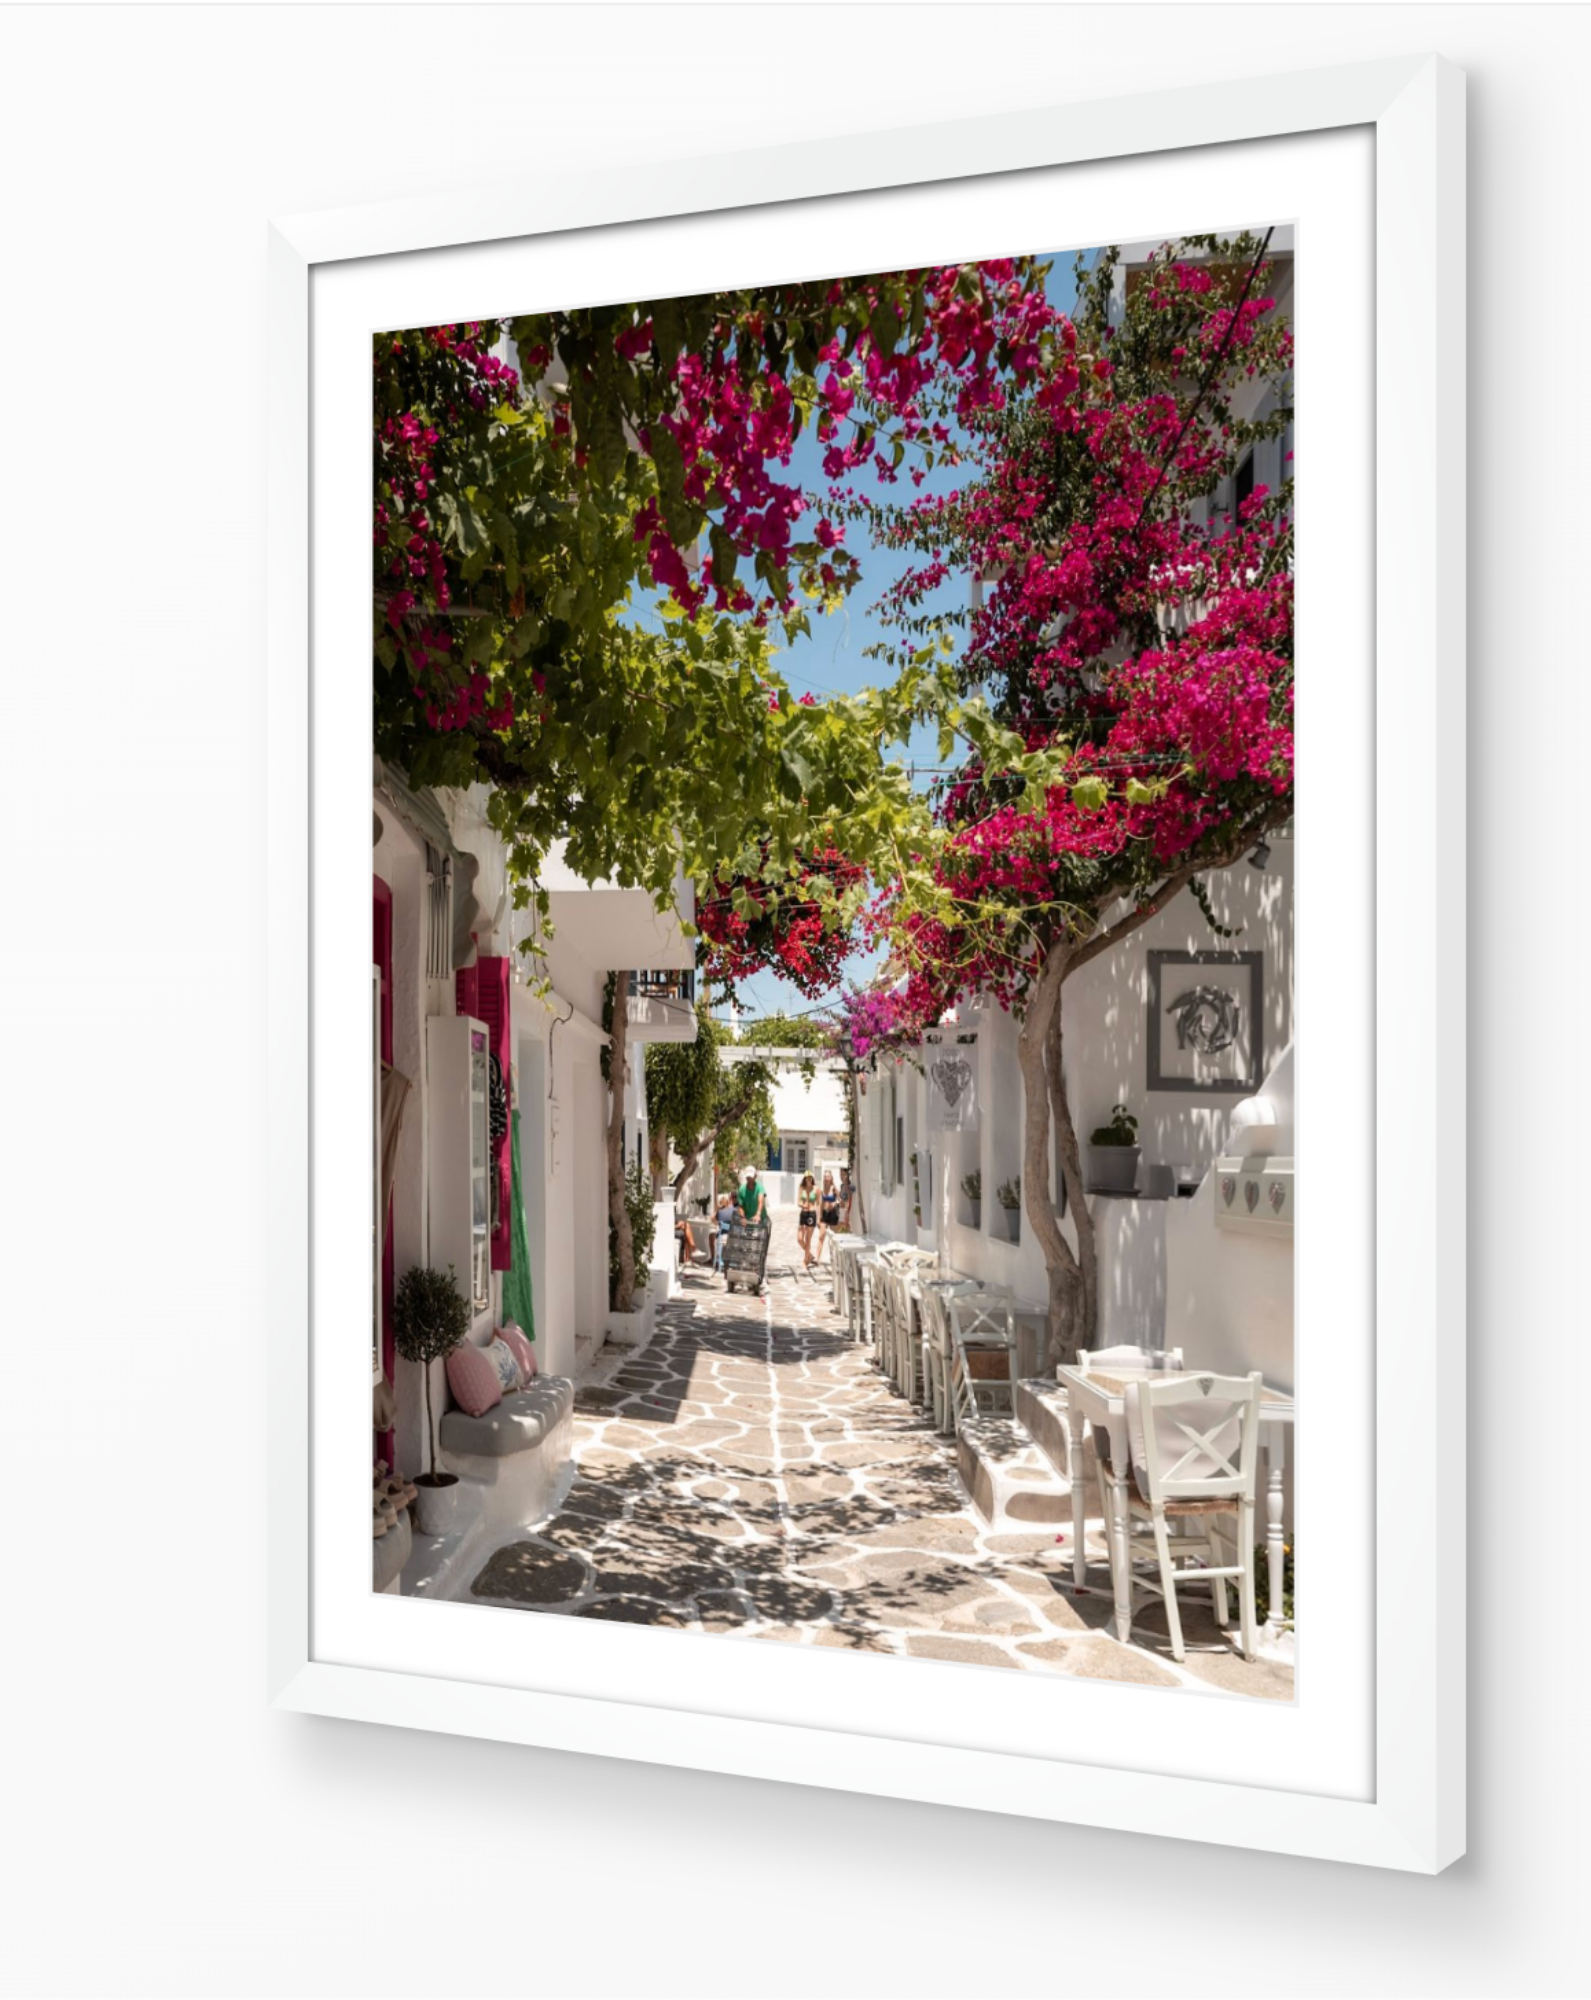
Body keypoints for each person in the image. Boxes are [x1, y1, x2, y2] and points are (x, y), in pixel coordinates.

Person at [816, 1169, 841, 1267]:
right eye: (825, 1176)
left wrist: (834, 1203)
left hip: (833, 1214)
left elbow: (840, 1199)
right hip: (825, 1214)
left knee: (834, 1239)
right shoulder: (821, 1190)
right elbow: (819, 1204)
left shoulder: (833, 1188)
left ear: (831, 1178)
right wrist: (819, 1217)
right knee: (821, 1237)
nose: (826, 1178)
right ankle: (817, 1259)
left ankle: (835, 1259)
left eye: (828, 1176)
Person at [796, 1171, 818, 1269]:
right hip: (803, 1213)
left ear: (812, 1179)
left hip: (812, 1214)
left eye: (810, 1177)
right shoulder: (802, 1188)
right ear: (804, 1179)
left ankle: (805, 1261)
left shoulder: (816, 1189)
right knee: (800, 1238)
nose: (808, 1179)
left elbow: (819, 1204)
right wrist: (802, 1204)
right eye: (807, 1178)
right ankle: (810, 1255)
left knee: (808, 1239)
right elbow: (798, 1201)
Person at [712, 1185, 736, 1271]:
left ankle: (716, 1260)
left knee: (712, 1236)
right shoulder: (734, 1211)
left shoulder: (720, 1213)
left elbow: (713, 1220)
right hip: (733, 1237)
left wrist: (717, 1210)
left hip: (722, 1237)